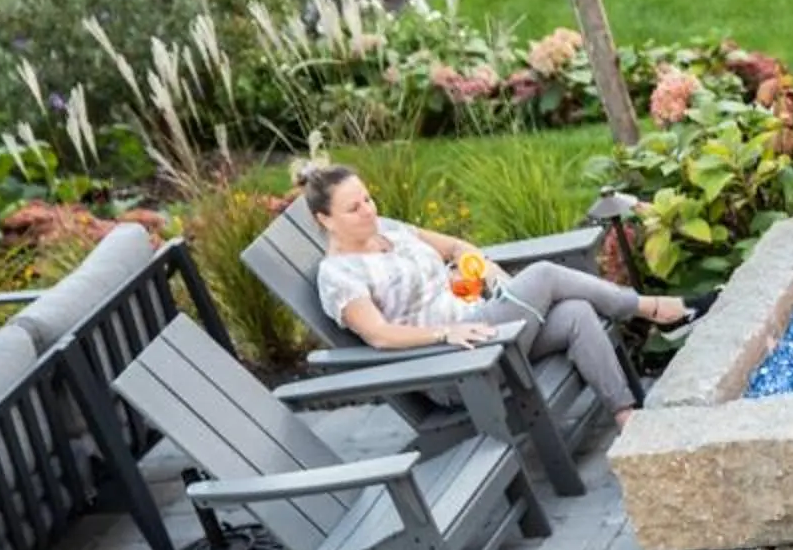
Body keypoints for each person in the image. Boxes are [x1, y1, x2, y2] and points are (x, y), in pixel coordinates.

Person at [298, 161, 709, 421]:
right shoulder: (338, 275)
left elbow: (456, 247)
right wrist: (444, 333)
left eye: (368, 199)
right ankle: (657, 310)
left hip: (486, 327)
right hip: (453, 365)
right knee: (544, 274)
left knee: (577, 313)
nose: (369, 210)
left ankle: (627, 419)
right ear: (325, 220)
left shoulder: (389, 229)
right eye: (354, 208)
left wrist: (486, 271)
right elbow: (379, 335)